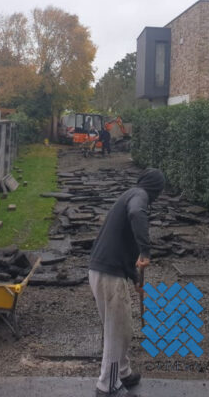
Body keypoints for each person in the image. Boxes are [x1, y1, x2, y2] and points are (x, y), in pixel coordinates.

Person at [88, 168, 165, 396]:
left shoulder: (130, 194)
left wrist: (135, 280)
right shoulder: (139, 197)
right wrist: (146, 252)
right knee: (116, 328)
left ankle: (122, 371)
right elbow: (137, 214)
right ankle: (107, 384)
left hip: (106, 271)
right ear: (155, 189)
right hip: (108, 274)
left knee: (122, 326)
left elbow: (124, 245)